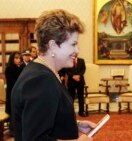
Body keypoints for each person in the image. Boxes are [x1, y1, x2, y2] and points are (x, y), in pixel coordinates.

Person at [11, 9, 96, 141]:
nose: (77, 50)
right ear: (53, 45)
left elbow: (42, 121)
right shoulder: (41, 80)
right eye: (73, 44)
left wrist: (75, 125)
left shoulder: (41, 72)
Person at [4, 52, 23, 135]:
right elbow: (12, 82)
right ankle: (12, 129)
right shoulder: (9, 68)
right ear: (12, 59)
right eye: (16, 58)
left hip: (18, 92)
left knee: (17, 110)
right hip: (12, 92)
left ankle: (16, 128)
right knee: (12, 110)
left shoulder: (18, 68)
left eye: (19, 58)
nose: (18, 60)